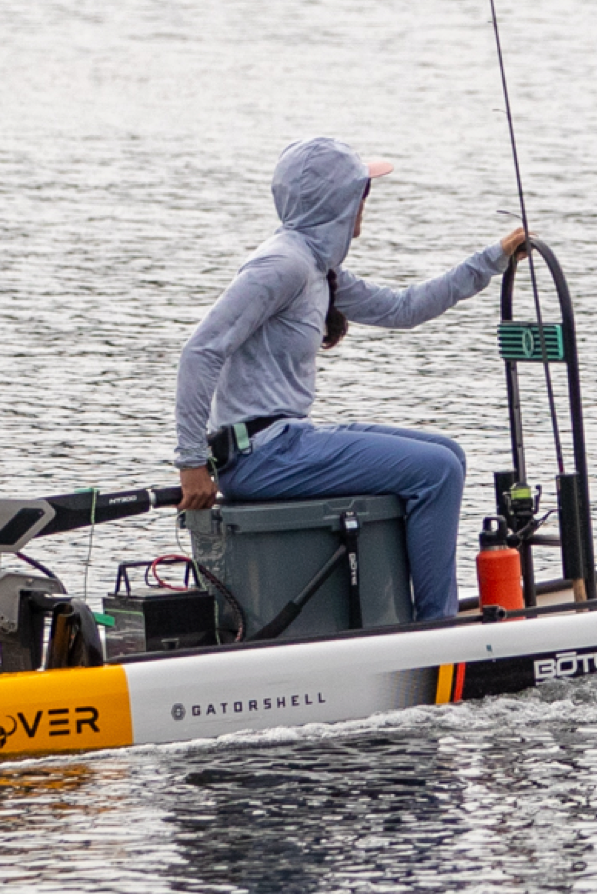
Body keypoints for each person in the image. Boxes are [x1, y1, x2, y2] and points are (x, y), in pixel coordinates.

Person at [175, 136, 527, 621]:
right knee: (436, 472)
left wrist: (493, 258)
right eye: (362, 195)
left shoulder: (318, 268)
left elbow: (404, 309)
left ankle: (409, 613)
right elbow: (200, 351)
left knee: (449, 455)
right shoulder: (281, 266)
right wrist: (191, 461)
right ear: (337, 203)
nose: (366, 206)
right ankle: (436, 628)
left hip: (285, 440)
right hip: (260, 458)